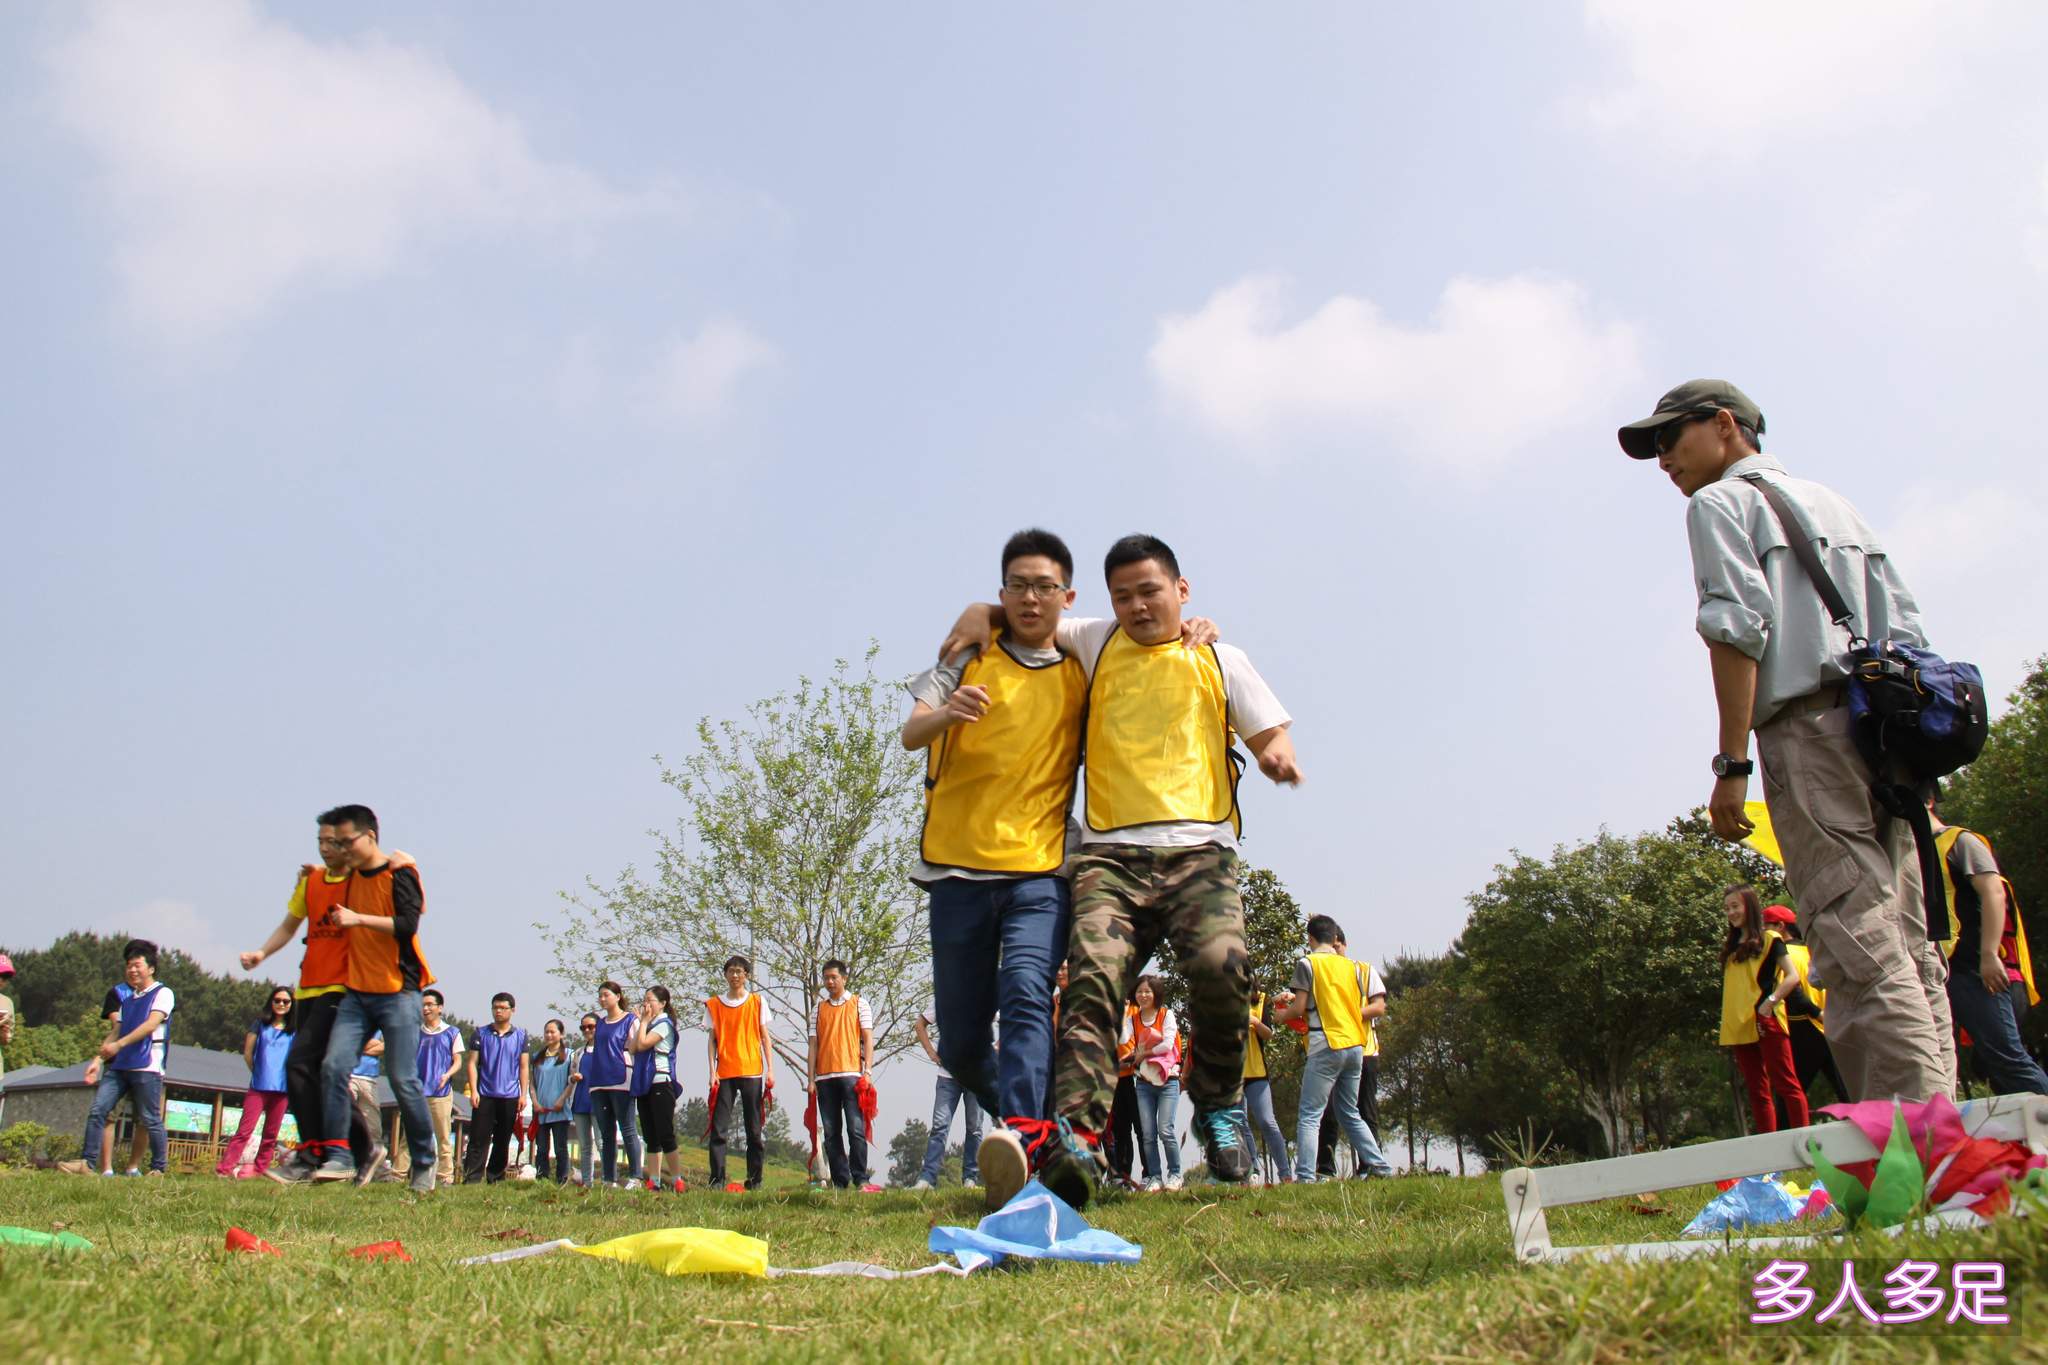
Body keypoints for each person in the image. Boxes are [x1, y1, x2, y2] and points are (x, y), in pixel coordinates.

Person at [1622, 380, 1956, 1103]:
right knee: (1909, 938)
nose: (1663, 459)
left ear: (1724, 424)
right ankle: (1946, 1125)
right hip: (1887, 736)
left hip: (1809, 730)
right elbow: (1909, 631)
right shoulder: (1835, 502)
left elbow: (1736, 628)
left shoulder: (1719, 504)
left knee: (1852, 933)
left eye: (1670, 438)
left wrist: (1732, 763)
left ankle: (1911, 1138)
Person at [943, 535, 1301, 1206]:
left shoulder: (1220, 657)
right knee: (1090, 988)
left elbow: (1268, 730)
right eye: (1123, 596)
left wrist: (1276, 753)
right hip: (1110, 859)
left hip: (1200, 852)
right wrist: (978, 610)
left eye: (1150, 592)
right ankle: (1077, 1140)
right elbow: (1031, 609)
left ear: (1182, 590)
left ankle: (1217, 1104)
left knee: (1223, 967)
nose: (1137, 606)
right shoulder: (1095, 640)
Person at [901, 529, 1086, 1208]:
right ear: (1001, 590)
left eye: (1044, 586)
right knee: (960, 1044)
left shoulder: (1084, 666)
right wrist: (949, 713)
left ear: (1067, 595)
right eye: (1018, 586)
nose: (1031, 598)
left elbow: (1141, 629)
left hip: (1040, 869)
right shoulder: (967, 652)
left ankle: (1025, 1139)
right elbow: (911, 731)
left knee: (1027, 993)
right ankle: (1040, 1136)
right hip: (956, 870)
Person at [240, 827, 405, 1183]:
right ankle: (363, 1151)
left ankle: (314, 1152)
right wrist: (261, 953)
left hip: (344, 989)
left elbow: (397, 902)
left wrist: (400, 864)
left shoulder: (365, 882)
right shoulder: (311, 882)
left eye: (336, 842)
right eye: (322, 842)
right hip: (308, 990)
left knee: (300, 1063)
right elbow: (289, 926)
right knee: (317, 1072)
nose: (327, 848)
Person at [308, 805, 438, 1192]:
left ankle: (424, 1161)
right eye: (335, 843)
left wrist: (358, 919)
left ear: (370, 836)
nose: (341, 849)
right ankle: (340, 1156)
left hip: (399, 992)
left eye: (346, 841)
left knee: (402, 1079)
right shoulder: (347, 876)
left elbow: (408, 923)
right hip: (357, 994)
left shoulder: (399, 872)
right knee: (332, 1067)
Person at [1927, 790, 2048, 1095]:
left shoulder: (1959, 841)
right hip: (1945, 972)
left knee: (2008, 1060)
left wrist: (1989, 955)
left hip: (1980, 970)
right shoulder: (1911, 854)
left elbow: (1994, 892)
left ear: (1928, 801)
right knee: (1987, 1066)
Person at [1277, 915, 1394, 1182]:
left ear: (1310, 938)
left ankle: (1306, 1177)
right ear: (1334, 938)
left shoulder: (1307, 963)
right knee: (1349, 1112)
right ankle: (1381, 1167)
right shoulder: (1352, 967)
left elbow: (1299, 1007)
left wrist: (1282, 1015)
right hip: (1355, 1045)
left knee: (1310, 1115)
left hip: (1326, 1044)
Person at [1719, 887, 1810, 1132]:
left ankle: (1804, 1140)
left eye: (1735, 906)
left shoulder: (1770, 939)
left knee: (1786, 1083)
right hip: (1737, 1024)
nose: (1731, 912)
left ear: (1749, 906)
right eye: (1727, 908)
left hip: (1765, 1020)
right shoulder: (1731, 946)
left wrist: (1770, 1003)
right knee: (1756, 1090)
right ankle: (1767, 1147)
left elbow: (1792, 976)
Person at [80, 940, 174, 1177]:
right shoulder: (128, 1000)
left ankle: (158, 1168)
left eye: (137, 965)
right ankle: (87, 1164)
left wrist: (119, 1045)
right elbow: (116, 1031)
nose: (132, 970)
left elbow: (151, 1024)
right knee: (98, 1110)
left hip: (147, 1066)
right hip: (120, 1066)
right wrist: (97, 1060)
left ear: (151, 968)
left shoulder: (163, 993)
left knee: (150, 1118)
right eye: (129, 966)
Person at [1316, 930, 1387, 1179]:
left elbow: (1379, 1007)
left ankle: (1370, 1166)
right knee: (1328, 1114)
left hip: (1364, 1051)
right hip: (1331, 1050)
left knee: (1366, 1111)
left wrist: (1347, 1015)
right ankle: (1325, 1170)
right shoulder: (1321, 974)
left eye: (1337, 947)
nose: (1334, 952)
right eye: (1330, 948)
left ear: (1345, 945)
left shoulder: (1363, 970)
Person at [1762, 904, 1849, 1106]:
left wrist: (1816, 1013)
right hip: (1831, 1025)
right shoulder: (1811, 950)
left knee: (1790, 1095)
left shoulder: (1783, 955)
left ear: (1780, 926)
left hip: (1804, 1026)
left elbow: (1791, 992)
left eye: (1766, 927)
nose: (1763, 933)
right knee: (1847, 1091)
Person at [807, 958, 879, 1191]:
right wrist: (810, 1079)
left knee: (856, 1129)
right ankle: (840, 1181)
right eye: (826, 978)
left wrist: (867, 1072)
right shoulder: (818, 1009)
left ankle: (861, 1178)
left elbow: (868, 1038)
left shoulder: (859, 1004)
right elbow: (813, 1045)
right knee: (831, 1132)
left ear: (844, 978)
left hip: (852, 1076)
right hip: (824, 1078)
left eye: (834, 977)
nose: (830, 982)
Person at [707, 955, 773, 1192]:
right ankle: (717, 1179)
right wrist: (712, 1071)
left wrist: (770, 1070)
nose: (735, 975)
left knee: (753, 1129)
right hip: (725, 1072)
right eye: (731, 971)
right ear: (725, 974)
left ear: (746, 975)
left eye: (739, 971)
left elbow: (765, 1037)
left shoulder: (757, 1001)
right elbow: (712, 1040)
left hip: (751, 1070)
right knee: (719, 1129)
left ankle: (755, 1179)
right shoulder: (714, 1004)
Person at [216, 989, 295, 1178]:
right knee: (244, 1130)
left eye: (286, 1001)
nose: (281, 1004)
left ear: (291, 1005)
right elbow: (247, 1053)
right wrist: (258, 1071)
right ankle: (224, 1169)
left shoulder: (295, 1030)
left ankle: (259, 1170)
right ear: (271, 1002)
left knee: (271, 1134)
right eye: (277, 1000)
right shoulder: (259, 1024)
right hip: (259, 1086)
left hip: (283, 1089)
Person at [392, 988, 464, 1187]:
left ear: (440, 1008)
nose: (425, 1008)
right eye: (423, 1005)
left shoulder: (452, 1032)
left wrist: (447, 1075)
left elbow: (458, 1060)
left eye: (430, 1004)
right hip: (417, 1093)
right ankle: (398, 1174)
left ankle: (445, 1176)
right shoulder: (415, 1032)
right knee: (409, 1136)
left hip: (440, 1093)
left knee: (443, 1136)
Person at [911, 1007, 983, 1190]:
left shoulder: (986, 996)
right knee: (939, 1126)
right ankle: (927, 1179)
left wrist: (996, 1048)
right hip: (947, 1076)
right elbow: (920, 1024)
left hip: (976, 1076)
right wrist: (931, 1052)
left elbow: (1009, 1019)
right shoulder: (945, 996)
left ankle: (970, 1178)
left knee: (974, 1128)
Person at [1123, 976, 1183, 1191]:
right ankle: (1155, 1177)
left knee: (1165, 1130)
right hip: (1144, 1083)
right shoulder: (1133, 1020)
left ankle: (1175, 1175)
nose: (1143, 995)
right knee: (1148, 1134)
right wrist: (1123, 1014)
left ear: (1156, 993)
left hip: (1168, 1081)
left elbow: (1167, 1045)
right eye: (1139, 991)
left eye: (1147, 991)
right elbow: (1123, 1040)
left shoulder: (1167, 1015)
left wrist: (1143, 1054)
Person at [464, 992, 531, 1184]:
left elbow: (524, 1066)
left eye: (503, 1008)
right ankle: (472, 1178)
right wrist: (474, 1091)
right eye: (495, 1007)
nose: (498, 1011)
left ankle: (495, 1177)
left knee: (502, 1139)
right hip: (484, 1094)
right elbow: (472, 1063)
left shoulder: (520, 1036)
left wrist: (523, 1094)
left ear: (512, 1010)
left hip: (509, 1096)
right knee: (478, 1138)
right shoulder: (480, 1033)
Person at [585, 981, 644, 1188]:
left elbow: (638, 1046)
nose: (602, 999)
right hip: (598, 1081)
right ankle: (608, 1179)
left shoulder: (630, 1020)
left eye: (606, 995)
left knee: (627, 1129)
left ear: (618, 996)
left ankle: (636, 1177)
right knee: (606, 1133)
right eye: (600, 995)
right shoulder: (600, 1023)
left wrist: (642, 1022)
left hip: (621, 1080)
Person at [630, 987, 687, 1192]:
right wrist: (641, 1023)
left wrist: (643, 1022)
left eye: (650, 1000)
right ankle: (654, 1181)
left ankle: (677, 1179)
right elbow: (633, 1048)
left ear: (662, 1004)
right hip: (644, 1085)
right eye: (644, 1000)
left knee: (665, 1133)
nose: (646, 1004)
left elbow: (643, 1044)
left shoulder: (664, 1024)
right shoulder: (648, 1024)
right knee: (650, 1136)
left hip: (661, 1083)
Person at [1241, 987, 1291, 1184]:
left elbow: (1269, 1034)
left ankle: (1285, 1174)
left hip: (1256, 1072)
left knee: (1267, 1122)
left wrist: (1255, 1022)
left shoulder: (1261, 999)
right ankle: (1250, 1173)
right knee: (1239, 1124)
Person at [347, 1033, 394, 1185]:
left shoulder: (380, 1024)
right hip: (348, 1075)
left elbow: (388, 1045)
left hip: (370, 1079)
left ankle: (380, 1172)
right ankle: (344, 1168)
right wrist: (372, 1044)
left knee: (373, 1128)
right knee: (345, 1122)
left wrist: (360, 1045)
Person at [531, 1019, 573, 1183]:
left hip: (560, 1110)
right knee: (541, 1148)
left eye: (552, 1032)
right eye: (546, 1032)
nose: (549, 1035)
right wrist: (535, 1102)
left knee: (560, 1148)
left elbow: (572, 1082)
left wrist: (562, 1100)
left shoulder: (570, 1055)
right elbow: (532, 1083)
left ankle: (562, 1179)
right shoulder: (537, 1057)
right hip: (541, 1111)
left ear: (561, 1034)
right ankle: (542, 1178)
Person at [568, 1013, 598, 1185]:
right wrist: (573, 1078)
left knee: (601, 1143)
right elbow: (570, 1077)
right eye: (583, 1027)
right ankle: (587, 1182)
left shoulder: (606, 1050)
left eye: (591, 1027)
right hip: (580, 1102)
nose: (587, 1030)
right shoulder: (578, 1052)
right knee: (585, 1146)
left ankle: (609, 1180)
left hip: (599, 1102)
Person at [0, 953, 16, 1131]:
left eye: (5, 977)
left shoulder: (6, 1003)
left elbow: (6, 1041)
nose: (1, 981)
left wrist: (4, 1033)